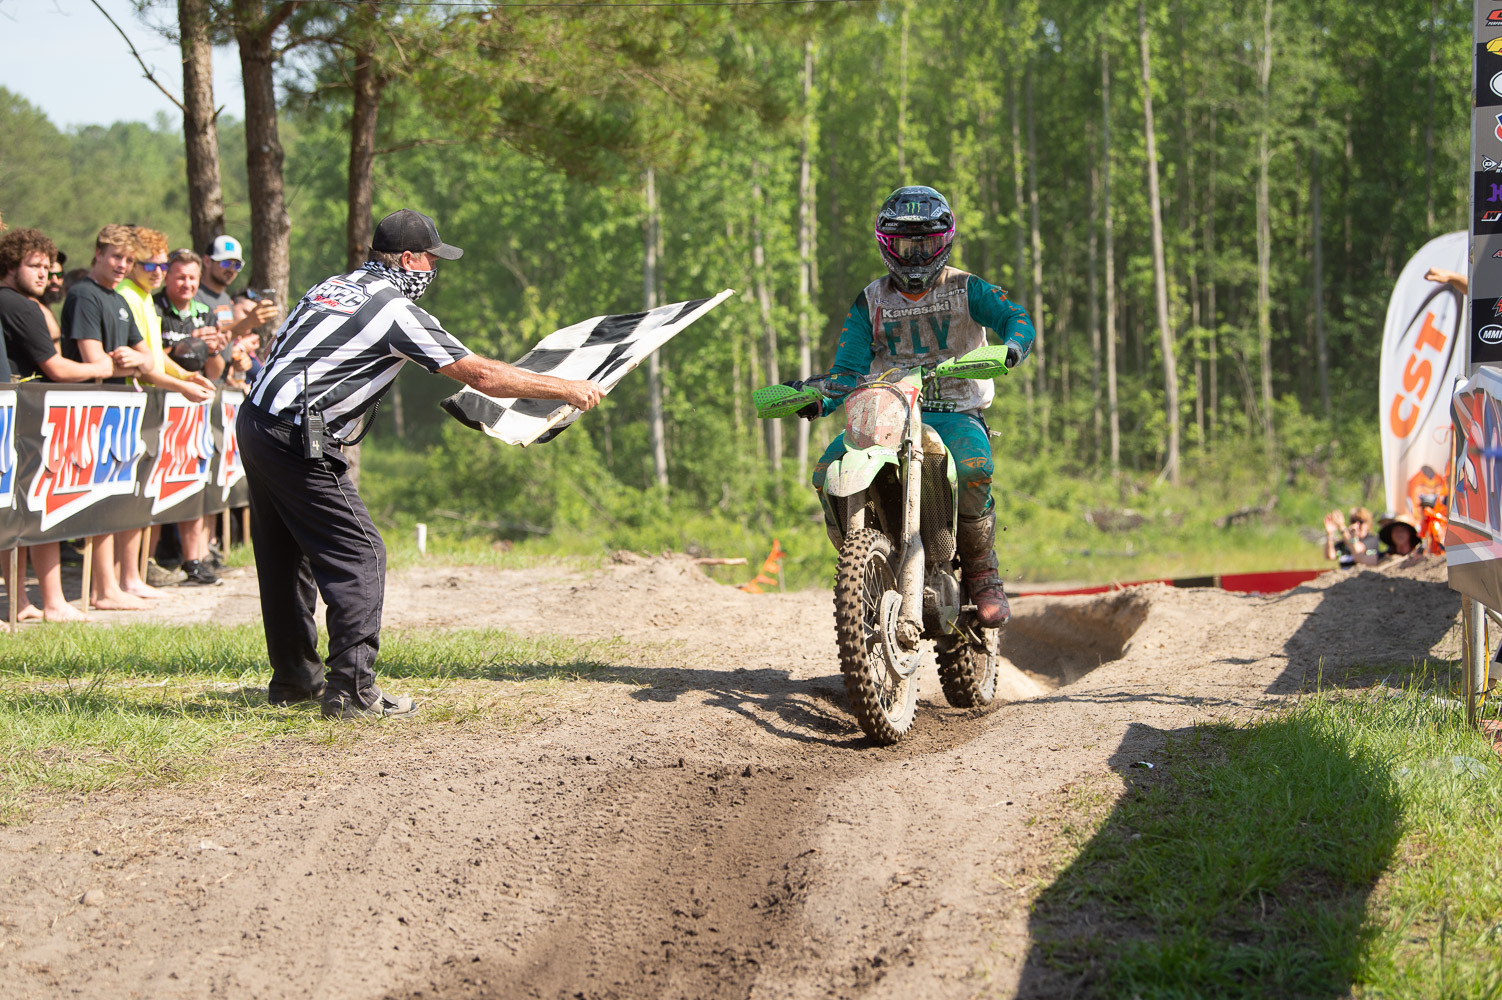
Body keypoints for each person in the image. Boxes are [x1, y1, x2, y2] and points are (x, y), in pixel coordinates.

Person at [239, 208, 603, 719]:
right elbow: (481, 376)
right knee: (362, 553)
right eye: (431, 259)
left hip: (256, 419)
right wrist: (568, 388)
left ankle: (296, 680)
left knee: (284, 557)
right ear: (409, 259)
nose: (434, 269)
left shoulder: (334, 285)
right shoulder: (394, 310)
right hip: (298, 435)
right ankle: (352, 691)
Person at [798, 185, 1034, 628]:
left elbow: (1014, 317)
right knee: (827, 466)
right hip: (887, 408)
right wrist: (822, 398)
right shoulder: (870, 301)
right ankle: (866, 564)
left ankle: (983, 572)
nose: (915, 256)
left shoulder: (968, 288)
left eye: (924, 244)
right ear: (888, 245)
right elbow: (848, 370)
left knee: (974, 465)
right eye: (905, 245)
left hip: (956, 409)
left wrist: (1013, 347)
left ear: (942, 242)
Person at [0, 229, 118, 623]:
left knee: (15, 510)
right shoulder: (18, 304)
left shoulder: (20, 303)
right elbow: (55, 367)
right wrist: (102, 367)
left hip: (20, 414)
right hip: (25, 417)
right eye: (33, 266)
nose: (43, 274)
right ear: (10, 265)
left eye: (46, 267)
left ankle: (21, 602)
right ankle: (51, 601)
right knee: (42, 508)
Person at [60, 224, 157, 611]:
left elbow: (147, 357)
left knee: (119, 495)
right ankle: (103, 589)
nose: (122, 266)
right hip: (91, 406)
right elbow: (93, 360)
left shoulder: (117, 297)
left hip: (119, 406)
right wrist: (132, 364)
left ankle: (120, 580)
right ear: (97, 254)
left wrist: (136, 361)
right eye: (116, 257)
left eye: (129, 260)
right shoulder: (84, 294)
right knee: (100, 498)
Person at [153, 248, 230, 586]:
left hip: (195, 409)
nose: (186, 284)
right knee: (153, 483)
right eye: (180, 276)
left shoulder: (206, 311)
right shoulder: (154, 307)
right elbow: (152, 357)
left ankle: (193, 559)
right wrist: (187, 344)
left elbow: (215, 370)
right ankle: (150, 559)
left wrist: (211, 349)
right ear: (167, 276)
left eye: (192, 279)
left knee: (193, 481)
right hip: (157, 406)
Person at [197, 235, 276, 337]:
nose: (231, 269)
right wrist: (248, 322)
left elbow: (225, 339)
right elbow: (205, 339)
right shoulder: (194, 296)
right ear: (207, 261)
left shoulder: (225, 298)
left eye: (237, 265)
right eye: (226, 263)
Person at [1353, 514, 1423, 565]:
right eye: (1396, 530)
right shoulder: (1385, 557)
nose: (1399, 533)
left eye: (1403, 530)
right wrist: (1352, 538)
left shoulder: (1419, 556)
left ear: (1410, 533)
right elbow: (1360, 559)